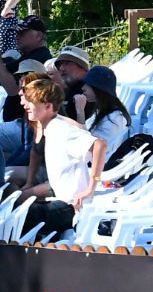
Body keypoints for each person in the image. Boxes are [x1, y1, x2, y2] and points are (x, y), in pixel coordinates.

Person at [18, 72, 107, 237]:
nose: (25, 105)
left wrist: (90, 189)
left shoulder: (60, 129)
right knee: (17, 206)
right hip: (61, 199)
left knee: (22, 217)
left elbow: (99, 145)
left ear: (47, 106)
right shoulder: (51, 126)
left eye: (31, 102)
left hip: (72, 207)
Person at [75, 65, 132, 161]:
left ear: (99, 88)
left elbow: (87, 148)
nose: (83, 88)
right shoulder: (103, 111)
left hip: (94, 164)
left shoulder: (114, 119)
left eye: (88, 84)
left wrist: (80, 111)